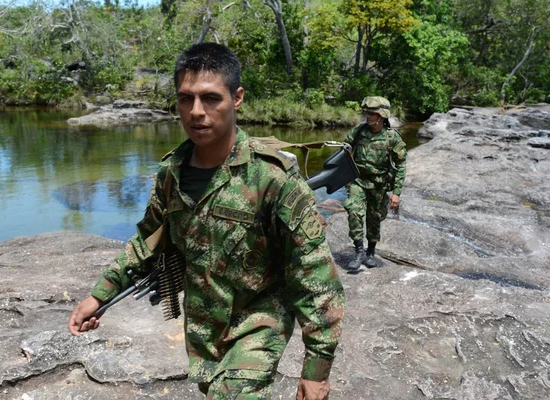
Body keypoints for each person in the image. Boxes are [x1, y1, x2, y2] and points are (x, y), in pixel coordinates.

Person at [68, 42, 345, 400]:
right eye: (186, 99)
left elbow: (315, 275)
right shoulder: (172, 172)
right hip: (204, 328)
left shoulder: (270, 178)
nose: (196, 112)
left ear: (237, 98)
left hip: (260, 319)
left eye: (211, 98)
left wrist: (317, 370)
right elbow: (148, 240)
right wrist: (99, 295)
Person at [343, 96, 407, 270]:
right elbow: (344, 151)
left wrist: (396, 193)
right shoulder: (359, 131)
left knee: (374, 218)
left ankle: (370, 253)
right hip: (358, 181)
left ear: (382, 115)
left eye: (371, 113)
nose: (367, 116)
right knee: (353, 210)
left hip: (379, 184)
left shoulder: (392, 137)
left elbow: (401, 165)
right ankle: (359, 251)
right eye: (366, 112)